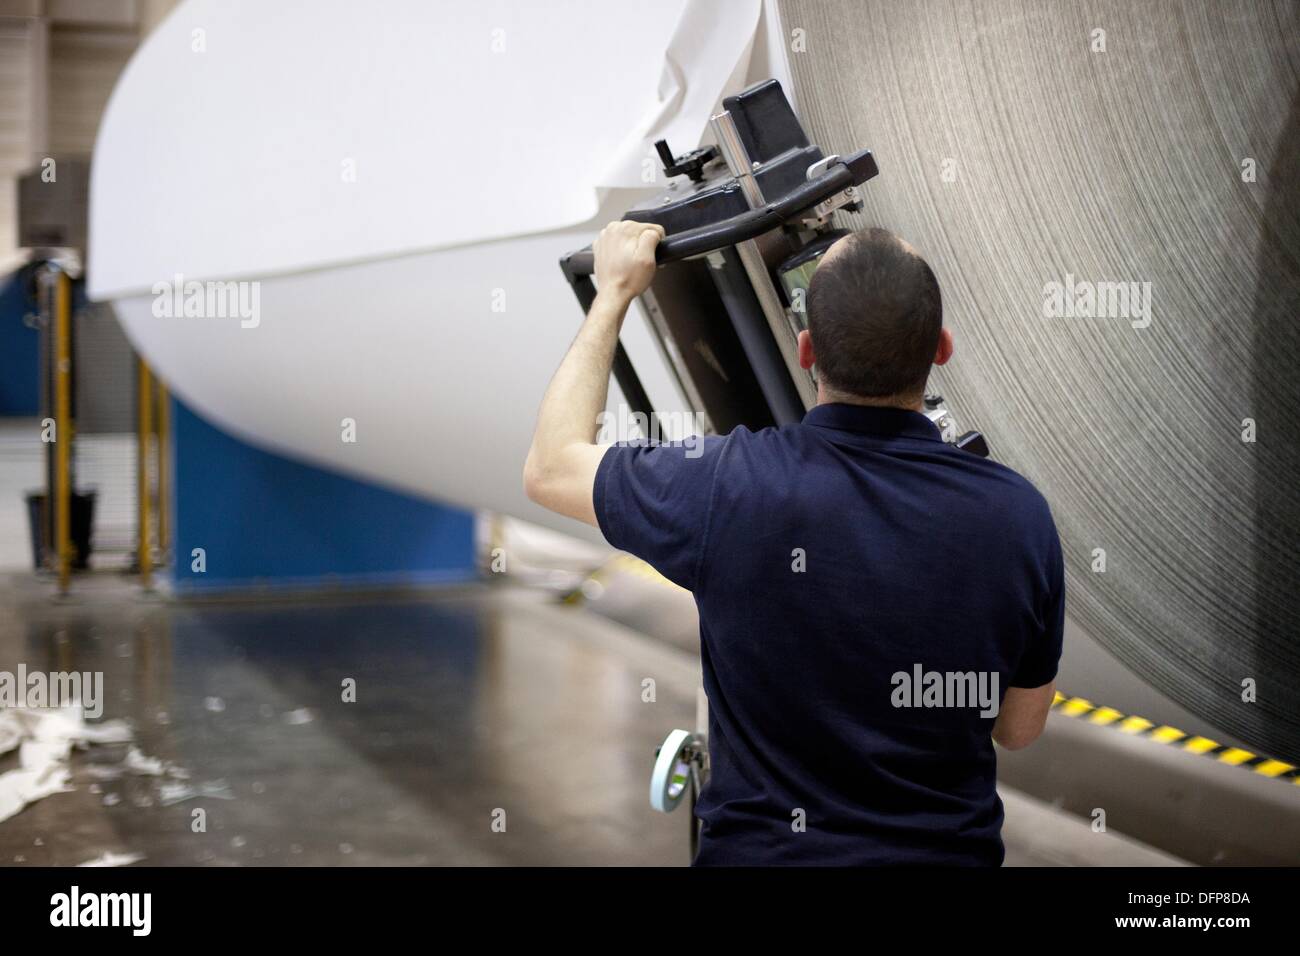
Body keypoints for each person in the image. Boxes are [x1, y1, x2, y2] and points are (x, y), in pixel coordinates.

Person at [524, 220, 1064, 865]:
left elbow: (551, 468)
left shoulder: (725, 485)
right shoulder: (1017, 516)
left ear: (807, 351)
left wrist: (613, 293)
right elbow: (1018, 729)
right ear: (941, 348)